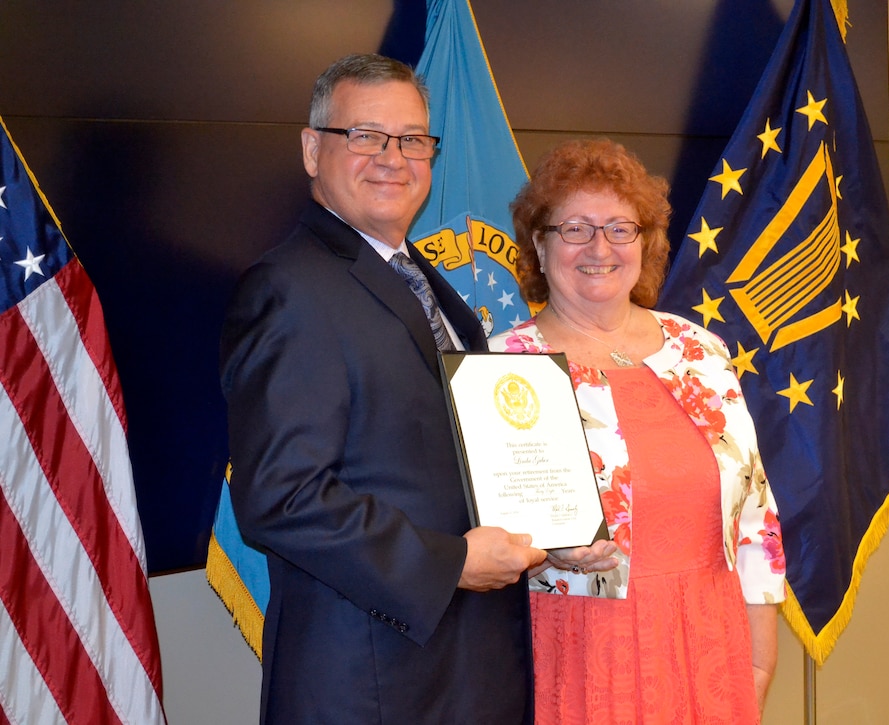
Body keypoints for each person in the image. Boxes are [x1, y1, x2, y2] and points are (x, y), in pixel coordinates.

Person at [219, 53, 546, 723]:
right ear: (313, 150)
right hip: (368, 683)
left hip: (466, 672)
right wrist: (450, 561)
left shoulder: (428, 284)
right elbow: (281, 498)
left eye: (412, 139)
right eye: (364, 135)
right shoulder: (288, 287)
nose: (392, 158)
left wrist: (556, 527)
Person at [490, 138, 787, 724]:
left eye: (620, 229)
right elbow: (486, 533)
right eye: (574, 228)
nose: (599, 247)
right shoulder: (504, 365)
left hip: (712, 641)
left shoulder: (699, 349)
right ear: (540, 248)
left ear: (645, 245)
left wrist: (758, 656)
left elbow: (754, 516)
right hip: (580, 647)